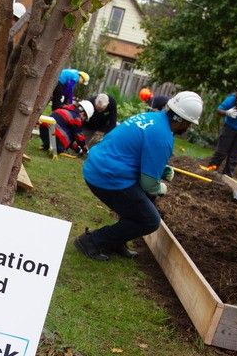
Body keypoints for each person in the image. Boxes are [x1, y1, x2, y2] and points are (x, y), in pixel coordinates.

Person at [75, 91, 204, 261]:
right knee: (149, 219)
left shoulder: (152, 118)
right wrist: (161, 187)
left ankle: (116, 241)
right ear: (184, 122)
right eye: (190, 124)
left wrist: (160, 168)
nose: (189, 127)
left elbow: (135, 150)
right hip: (106, 176)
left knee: (142, 202)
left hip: (99, 165)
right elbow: (149, 184)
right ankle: (92, 241)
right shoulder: (163, 136)